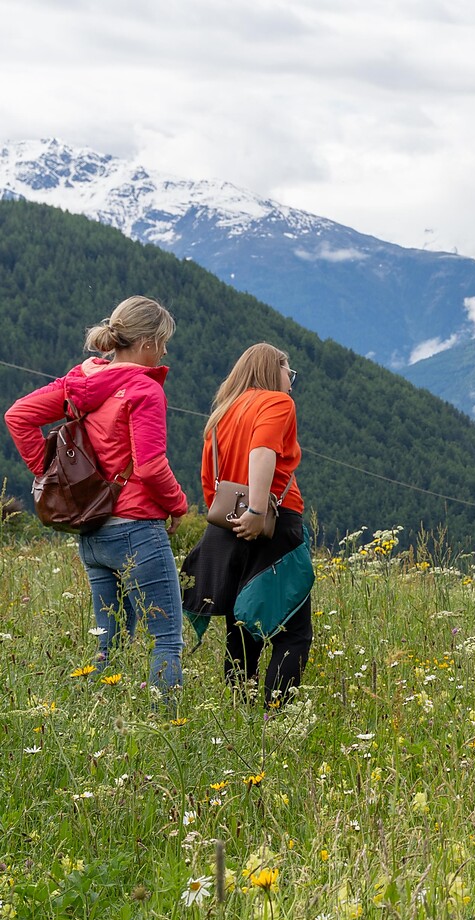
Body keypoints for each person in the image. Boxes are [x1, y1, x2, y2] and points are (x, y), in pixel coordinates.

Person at [4, 296, 189, 691]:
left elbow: (18, 415)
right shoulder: (145, 389)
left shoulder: (80, 382)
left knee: (110, 642)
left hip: (92, 532)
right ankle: (163, 723)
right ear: (145, 343)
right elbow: (152, 466)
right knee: (167, 639)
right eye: (162, 342)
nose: (164, 351)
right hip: (137, 529)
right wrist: (178, 505)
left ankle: (103, 719)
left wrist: (52, 475)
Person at [181, 343, 312, 706]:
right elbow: (262, 451)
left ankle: (242, 710)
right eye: (289, 371)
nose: (291, 380)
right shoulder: (277, 403)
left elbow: (211, 481)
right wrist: (255, 511)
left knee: (242, 626)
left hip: (225, 527)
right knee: (293, 631)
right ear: (275, 369)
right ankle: (275, 713)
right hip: (272, 522)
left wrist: (233, 520)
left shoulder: (222, 414)